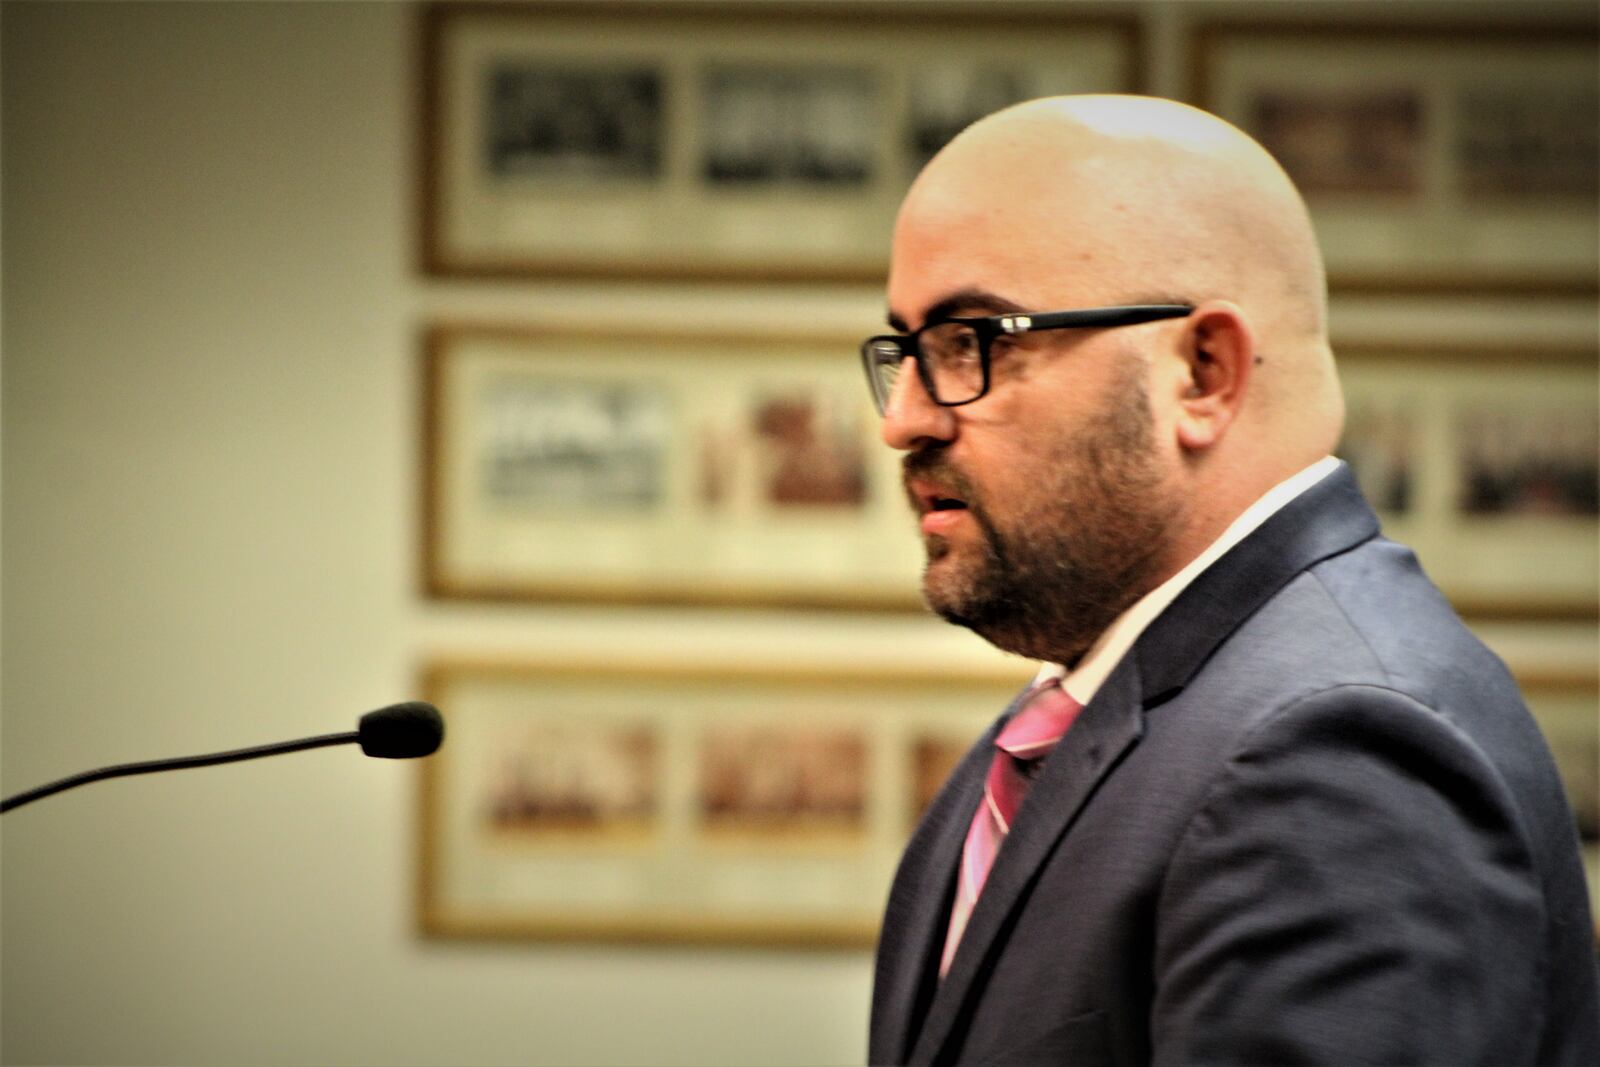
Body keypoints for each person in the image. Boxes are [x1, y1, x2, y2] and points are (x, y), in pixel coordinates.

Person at [861, 95, 1599, 1066]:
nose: (903, 418)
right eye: (906, 349)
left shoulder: (1334, 752)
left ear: (1203, 373)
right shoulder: (1125, 698)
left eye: (974, 340)